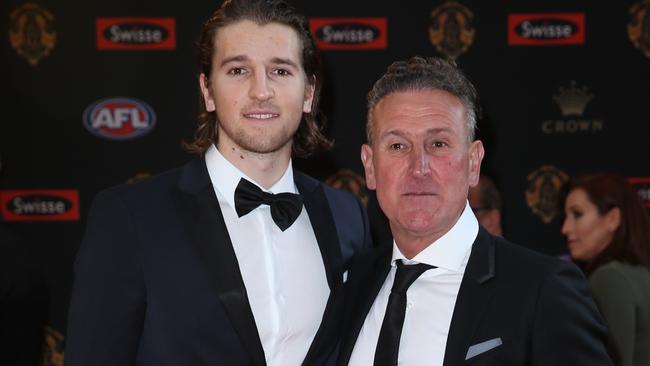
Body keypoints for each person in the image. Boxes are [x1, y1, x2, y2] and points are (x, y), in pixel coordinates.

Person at [64, 1, 371, 365]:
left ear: (309, 93)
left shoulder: (347, 216)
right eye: (239, 70)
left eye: (281, 71)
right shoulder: (130, 218)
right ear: (208, 91)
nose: (261, 91)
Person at [337, 56, 612, 366]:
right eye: (398, 146)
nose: (419, 169)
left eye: (438, 144)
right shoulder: (351, 284)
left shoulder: (543, 290)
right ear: (370, 166)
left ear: (473, 163)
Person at [561, 173, 650, 366]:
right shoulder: (640, 273)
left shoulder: (609, 277)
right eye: (565, 216)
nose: (565, 228)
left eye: (577, 214)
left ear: (612, 218)